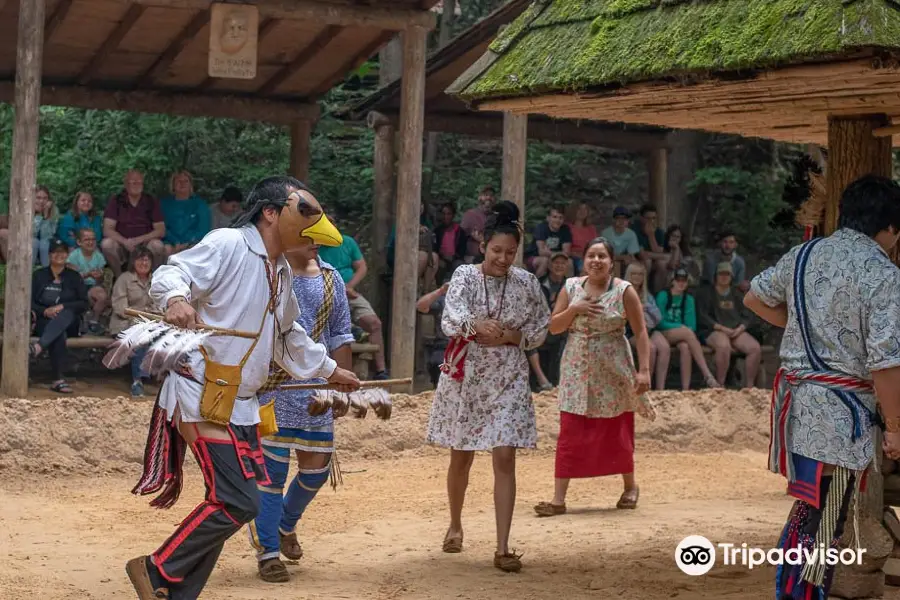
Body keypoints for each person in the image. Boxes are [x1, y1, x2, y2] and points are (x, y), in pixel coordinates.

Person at [125, 175, 361, 600]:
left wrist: (329, 369)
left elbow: (289, 336)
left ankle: (176, 592)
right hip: (201, 394)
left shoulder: (283, 271)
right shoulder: (230, 244)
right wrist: (177, 298)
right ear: (271, 213)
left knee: (231, 502)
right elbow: (170, 272)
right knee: (239, 501)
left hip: (242, 403)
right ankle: (156, 568)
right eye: (302, 213)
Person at [743, 175, 900, 600]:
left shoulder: (804, 253)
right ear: (890, 228)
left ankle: (796, 592)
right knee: (823, 516)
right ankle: (798, 594)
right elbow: (885, 362)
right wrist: (895, 427)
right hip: (841, 415)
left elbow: (754, 298)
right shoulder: (882, 273)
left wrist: (797, 326)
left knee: (813, 509)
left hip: (799, 406)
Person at [426, 201, 550, 573]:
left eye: (511, 252)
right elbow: (452, 315)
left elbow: (541, 325)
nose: (503, 258)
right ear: (483, 246)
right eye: (497, 250)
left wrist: (515, 335)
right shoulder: (464, 275)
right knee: (460, 456)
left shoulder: (527, 283)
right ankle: (455, 523)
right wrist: (475, 326)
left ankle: (503, 546)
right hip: (468, 374)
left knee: (505, 456)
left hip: (509, 375)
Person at [248, 242, 355, 583]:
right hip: (274, 386)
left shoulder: (331, 277)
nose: (315, 244)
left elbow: (340, 332)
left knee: (316, 471)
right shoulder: (268, 274)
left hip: (317, 387)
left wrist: (340, 384)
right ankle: (268, 553)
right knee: (272, 478)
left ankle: (284, 524)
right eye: (308, 236)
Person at [533, 237, 653, 518]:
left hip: (614, 368)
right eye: (591, 256)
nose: (596, 261)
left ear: (612, 262)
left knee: (618, 427)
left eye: (602, 256)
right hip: (577, 367)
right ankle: (558, 500)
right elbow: (553, 327)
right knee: (571, 430)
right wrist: (574, 309)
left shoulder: (624, 291)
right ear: (583, 260)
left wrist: (644, 370)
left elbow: (641, 331)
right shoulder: (571, 287)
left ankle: (630, 486)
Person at [318, 233, 389, 380]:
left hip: (349, 292)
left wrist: (349, 287)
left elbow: (361, 267)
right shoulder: (314, 245)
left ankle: (381, 371)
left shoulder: (347, 242)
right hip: (324, 293)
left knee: (374, 323)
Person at [29, 238, 87, 394]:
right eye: (55, 252)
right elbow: (29, 302)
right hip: (45, 321)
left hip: (71, 322)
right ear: (49, 255)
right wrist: (44, 311)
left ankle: (39, 347)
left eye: (62, 252)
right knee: (58, 333)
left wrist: (62, 306)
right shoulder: (39, 275)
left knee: (66, 313)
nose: (59, 255)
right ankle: (58, 380)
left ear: (67, 255)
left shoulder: (74, 277)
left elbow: (83, 303)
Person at [697, 261, 761, 387]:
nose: (724, 277)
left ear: (731, 276)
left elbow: (747, 314)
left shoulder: (737, 293)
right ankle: (720, 385)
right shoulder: (706, 293)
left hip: (735, 330)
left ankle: (749, 386)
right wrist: (721, 328)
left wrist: (741, 328)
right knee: (723, 346)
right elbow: (702, 316)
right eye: (721, 274)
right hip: (713, 330)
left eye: (727, 274)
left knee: (755, 348)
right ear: (715, 275)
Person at [655, 268, 720, 390]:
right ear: (672, 281)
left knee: (685, 347)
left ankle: (686, 388)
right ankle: (707, 375)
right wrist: (679, 327)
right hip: (663, 332)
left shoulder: (688, 299)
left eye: (684, 281)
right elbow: (659, 322)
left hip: (682, 335)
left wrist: (683, 330)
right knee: (688, 334)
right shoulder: (663, 295)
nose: (681, 283)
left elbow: (692, 325)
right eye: (678, 280)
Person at [110, 246, 156, 397]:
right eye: (140, 259)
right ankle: (137, 381)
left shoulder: (156, 280)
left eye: (147, 259)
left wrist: (151, 316)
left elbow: (160, 305)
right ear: (133, 262)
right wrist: (141, 317)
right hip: (126, 324)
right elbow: (120, 307)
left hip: (152, 324)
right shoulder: (124, 279)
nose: (144, 262)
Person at [101, 169, 166, 277]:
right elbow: (107, 229)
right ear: (126, 184)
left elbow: (160, 230)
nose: (137, 185)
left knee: (157, 246)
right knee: (107, 244)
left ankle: (151, 280)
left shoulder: (150, 201)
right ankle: (120, 278)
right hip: (122, 244)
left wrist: (139, 240)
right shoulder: (116, 200)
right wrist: (125, 242)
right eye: (133, 182)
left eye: (139, 182)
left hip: (145, 243)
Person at [624, 263, 670, 390]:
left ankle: (660, 387)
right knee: (651, 348)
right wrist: (639, 309)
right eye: (634, 274)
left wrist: (644, 308)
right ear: (629, 275)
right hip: (631, 331)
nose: (637, 277)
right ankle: (645, 386)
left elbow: (658, 317)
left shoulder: (647, 295)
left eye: (640, 274)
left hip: (649, 328)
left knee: (665, 348)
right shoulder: (624, 292)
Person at [527, 252, 570, 390]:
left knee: (566, 338)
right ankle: (542, 380)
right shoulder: (538, 283)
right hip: (541, 326)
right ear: (550, 265)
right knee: (528, 338)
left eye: (563, 263)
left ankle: (561, 382)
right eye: (556, 263)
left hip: (561, 327)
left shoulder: (571, 285)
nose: (559, 266)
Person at [66, 228, 109, 334]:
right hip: (76, 288)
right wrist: (87, 274)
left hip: (91, 287)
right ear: (79, 242)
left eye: (93, 239)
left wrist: (98, 276)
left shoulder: (99, 256)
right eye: (87, 239)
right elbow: (72, 278)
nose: (90, 242)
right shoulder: (74, 256)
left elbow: (100, 280)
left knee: (102, 296)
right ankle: (82, 320)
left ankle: (93, 321)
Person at [161, 170, 211, 255]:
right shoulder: (164, 204)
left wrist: (187, 243)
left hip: (192, 242)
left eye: (186, 181)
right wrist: (175, 242)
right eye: (179, 181)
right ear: (173, 185)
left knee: (194, 249)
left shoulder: (200, 204)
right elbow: (162, 227)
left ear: (191, 185)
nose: (182, 184)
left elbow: (203, 229)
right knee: (166, 249)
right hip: (171, 243)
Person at [417, 278, 451, 387]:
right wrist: (441, 290)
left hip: (467, 346)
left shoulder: (474, 299)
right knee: (436, 364)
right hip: (444, 346)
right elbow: (420, 306)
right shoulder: (443, 300)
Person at [524, 206, 572, 278]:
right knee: (545, 261)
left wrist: (551, 253)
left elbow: (566, 252)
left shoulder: (565, 229)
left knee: (569, 262)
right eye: (554, 217)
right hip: (534, 257)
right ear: (548, 218)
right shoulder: (541, 228)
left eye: (560, 218)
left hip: (554, 257)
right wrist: (558, 253)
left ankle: (567, 287)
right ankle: (536, 286)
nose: (557, 220)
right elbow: (541, 252)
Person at [600, 206, 640, 276]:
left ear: (628, 221)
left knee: (634, 264)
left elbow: (631, 255)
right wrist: (621, 257)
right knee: (616, 264)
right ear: (613, 220)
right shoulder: (606, 233)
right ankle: (617, 286)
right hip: (608, 260)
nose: (622, 221)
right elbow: (604, 255)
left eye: (625, 218)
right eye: (619, 218)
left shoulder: (631, 234)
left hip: (623, 260)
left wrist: (630, 260)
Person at [433, 202, 468, 282]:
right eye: (444, 214)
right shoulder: (438, 230)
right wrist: (442, 256)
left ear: (453, 215)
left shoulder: (459, 231)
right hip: (441, 259)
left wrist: (453, 257)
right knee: (441, 265)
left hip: (455, 258)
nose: (446, 217)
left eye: (449, 214)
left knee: (460, 266)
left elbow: (462, 249)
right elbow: (434, 247)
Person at [459, 185, 495, 262]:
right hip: (472, 258)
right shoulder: (470, 215)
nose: (488, 197)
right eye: (485, 195)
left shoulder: (496, 217)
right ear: (479, 197)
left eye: (491, 195)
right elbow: (459, 238)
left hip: (493, 256)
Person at [565, 201, 598, 275]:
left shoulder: (591, 228)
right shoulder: (567, 227)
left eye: (585, 209)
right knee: (584, 266)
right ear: (574, 211)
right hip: (574, 257)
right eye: (579, 209)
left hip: (589, 256)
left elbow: (595, 246)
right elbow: (565, 248)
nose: (582, 212)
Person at [33, 185, 60, 267]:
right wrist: (38, 216)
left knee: (44, 244)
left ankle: (47, 271)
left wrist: (45, 215)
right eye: (38, 197)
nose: (42, 201)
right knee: (34, 242)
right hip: (29, 239)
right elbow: (32, 233)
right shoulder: (26, 209)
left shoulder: (54, 210)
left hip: (48, 240)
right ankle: (29, 270)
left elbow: (47, 235)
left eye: (45, 198)